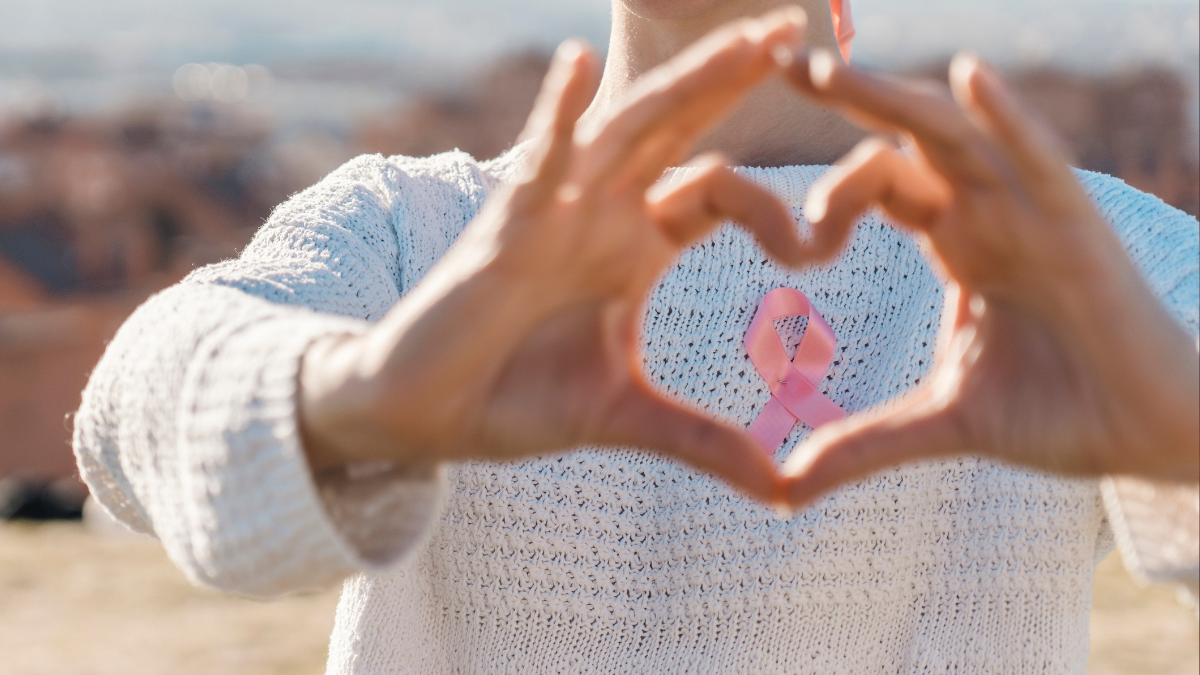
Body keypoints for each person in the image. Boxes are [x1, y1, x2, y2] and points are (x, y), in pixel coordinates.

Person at [74, 2, 1198, 673]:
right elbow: (134, 419)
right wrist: (362, 396)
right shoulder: (419, 234)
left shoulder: (1058, 250)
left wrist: (1178, 430)